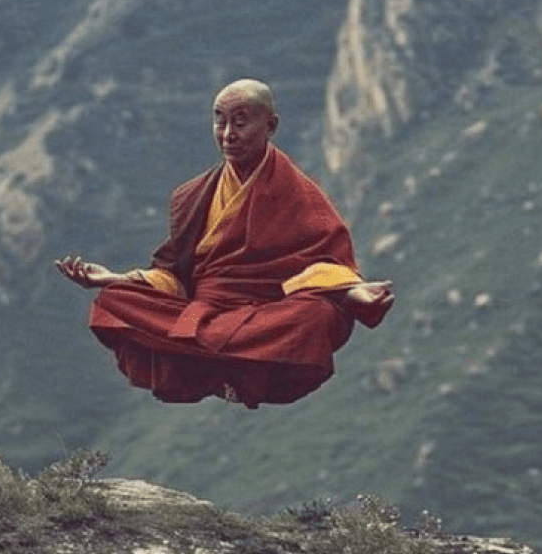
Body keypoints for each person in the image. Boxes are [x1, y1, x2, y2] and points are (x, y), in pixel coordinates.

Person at [56, 79, 393, 408]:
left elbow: (324, 263)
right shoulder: (194, 195)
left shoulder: (297, 192)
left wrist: (353, 292)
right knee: (115, 301)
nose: (228, 134)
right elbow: (175, 274)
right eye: (220, 120)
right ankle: (231, 368)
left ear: (270, 126)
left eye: (241, 122)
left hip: (262, 314)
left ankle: (210, 365)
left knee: (315, 317)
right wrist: (114, 279)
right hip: (205, 312)